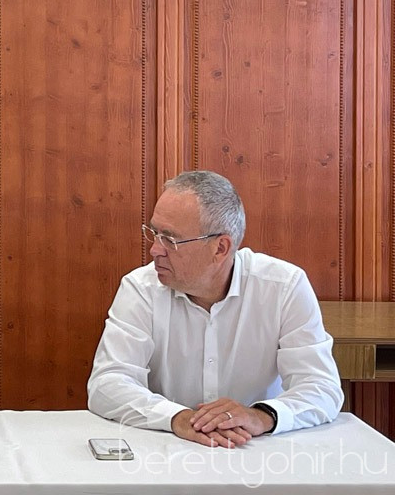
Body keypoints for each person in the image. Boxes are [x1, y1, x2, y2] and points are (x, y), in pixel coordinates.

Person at [88, 170, 343, 448]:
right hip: (168, 448)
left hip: (257, 449)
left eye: (170, 239)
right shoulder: (140, 288)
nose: (155, 250)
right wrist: (178, 418)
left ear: (220, 248)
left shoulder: (284, 287)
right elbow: (107, 383)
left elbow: (322, 387)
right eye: (154, 233)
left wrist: (260, 416)